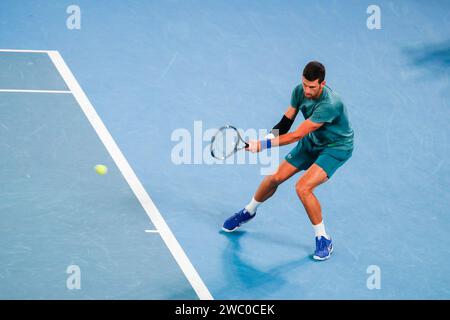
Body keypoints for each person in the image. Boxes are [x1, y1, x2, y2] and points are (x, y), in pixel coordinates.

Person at [222, 61, 354, 261]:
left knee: (303, 187)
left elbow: (296, 136)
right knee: (274, 177)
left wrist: (264, 146)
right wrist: (265, 140)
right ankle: (249, 211)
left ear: (323, 84)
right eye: (304, 85)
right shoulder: (299, 92)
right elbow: (285, 123)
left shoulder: (331, 105)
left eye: (312, 87)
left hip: (335, 148)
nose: (307, 91)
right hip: (313, 142)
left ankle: (323, 238)